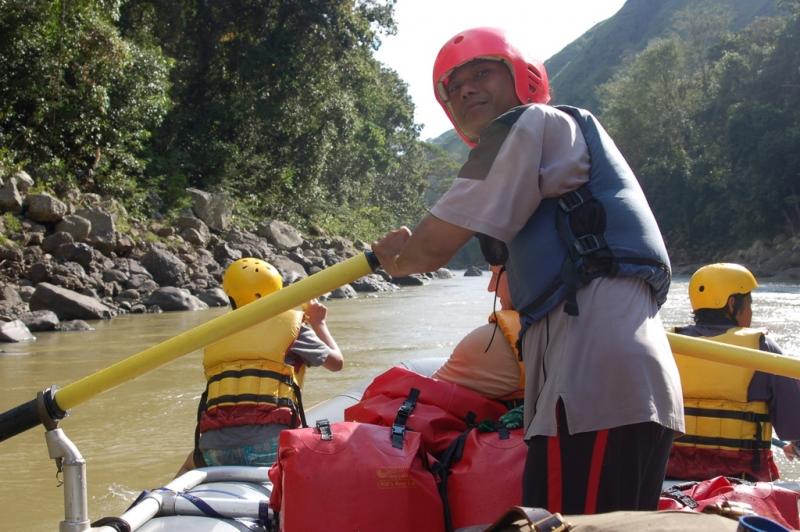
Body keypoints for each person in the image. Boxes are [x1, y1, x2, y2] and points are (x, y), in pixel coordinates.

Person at [372, 27, 684, 514]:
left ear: (524, 79)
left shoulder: (537, 122)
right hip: (602, 387)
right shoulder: (540, 165)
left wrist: (397, 258)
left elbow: (429, 251)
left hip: (595, 387)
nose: (466, 89)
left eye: (482, 73)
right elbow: (523, 299)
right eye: (454, 88)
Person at [178, 257, 343, 474]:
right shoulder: (293, 328)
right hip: (270, 448)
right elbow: (336, 363)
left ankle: (155, 500)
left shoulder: (216, 333)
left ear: (231, 296)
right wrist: (319, 323)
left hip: (213, 451)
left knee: (190, 462)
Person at [668, 262, 800, 481]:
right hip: (741, 479)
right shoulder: (762, 349)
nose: (750, 312)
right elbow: (796, 428)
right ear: (731, 304)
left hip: (669, 476)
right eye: (749, 304)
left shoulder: (669, 344)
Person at [433, 265, 524, 402]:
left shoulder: (490, 341)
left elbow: (427, 392)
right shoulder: (562, 329)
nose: (491, 287)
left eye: (495, 275)